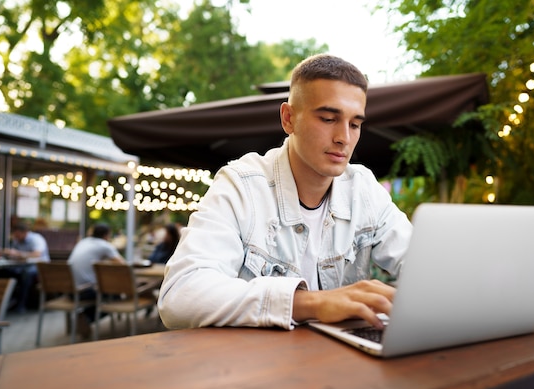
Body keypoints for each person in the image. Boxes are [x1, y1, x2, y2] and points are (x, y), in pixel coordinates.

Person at [158, 54, 413, 330]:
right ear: (288, 118)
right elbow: (180, 295)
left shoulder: (363, 188)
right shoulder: (241, 186)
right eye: (328, 119)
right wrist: (312, 303)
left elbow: (423, 267)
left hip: (341, 365)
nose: (344, 138)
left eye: (355, 124)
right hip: (257, 366)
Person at [68, 223, 125, 330]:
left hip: (69, 289)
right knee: (116, 296)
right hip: (85, 291)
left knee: (106, 292)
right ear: (106, 235)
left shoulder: (83, 242)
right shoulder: (104, 245)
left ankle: (84, 317)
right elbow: (122, 265)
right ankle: (87, 316)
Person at [0, 221, 50, 313]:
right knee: (1, 272)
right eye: (15, 235)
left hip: (38, 267)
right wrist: (3, 252)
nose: (16, 237)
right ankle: (1, 303)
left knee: (26, 274)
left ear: (25, 232)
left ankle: (21, 305)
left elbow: (37, 254)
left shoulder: (36, 239)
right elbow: (14, 254)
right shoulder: (17, 240)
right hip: (21, 266)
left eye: (18, 235)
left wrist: (19, 254)